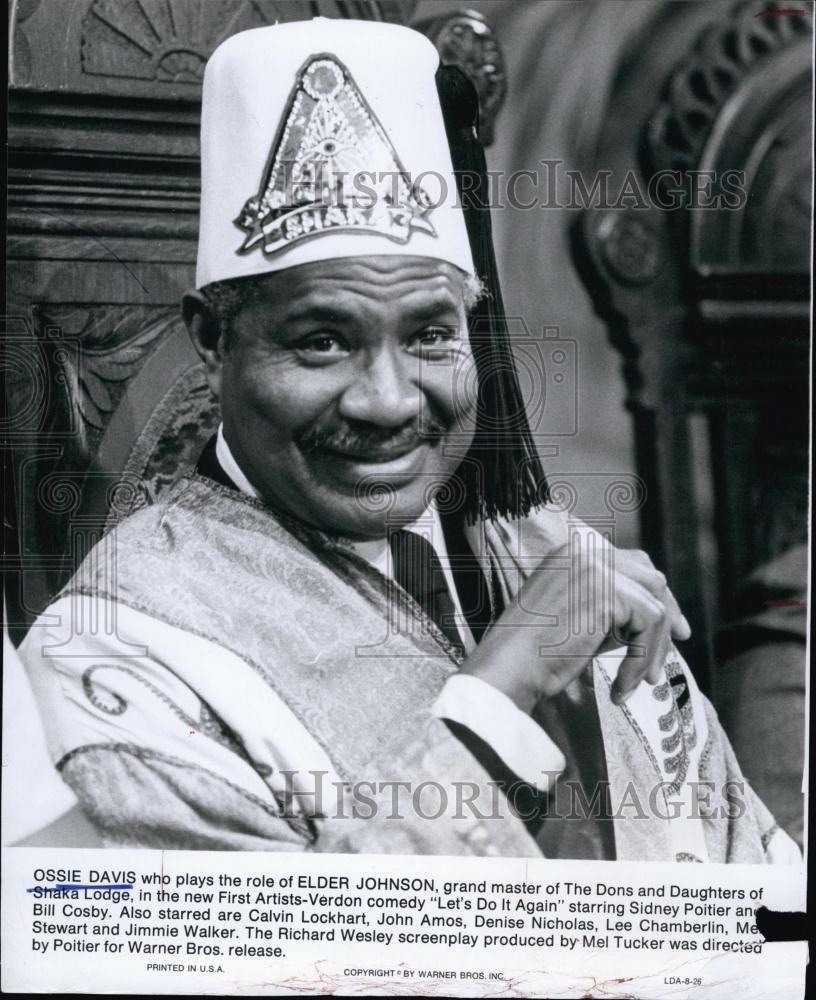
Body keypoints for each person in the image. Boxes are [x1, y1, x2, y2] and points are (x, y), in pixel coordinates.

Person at [19, 17, 798, 863]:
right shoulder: (119, 654)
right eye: (322, 340)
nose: (389, 403)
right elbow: (260, 970)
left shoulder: (550, 553)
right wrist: (502, 689)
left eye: (429, 335)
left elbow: (756, 885)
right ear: (214, 342)